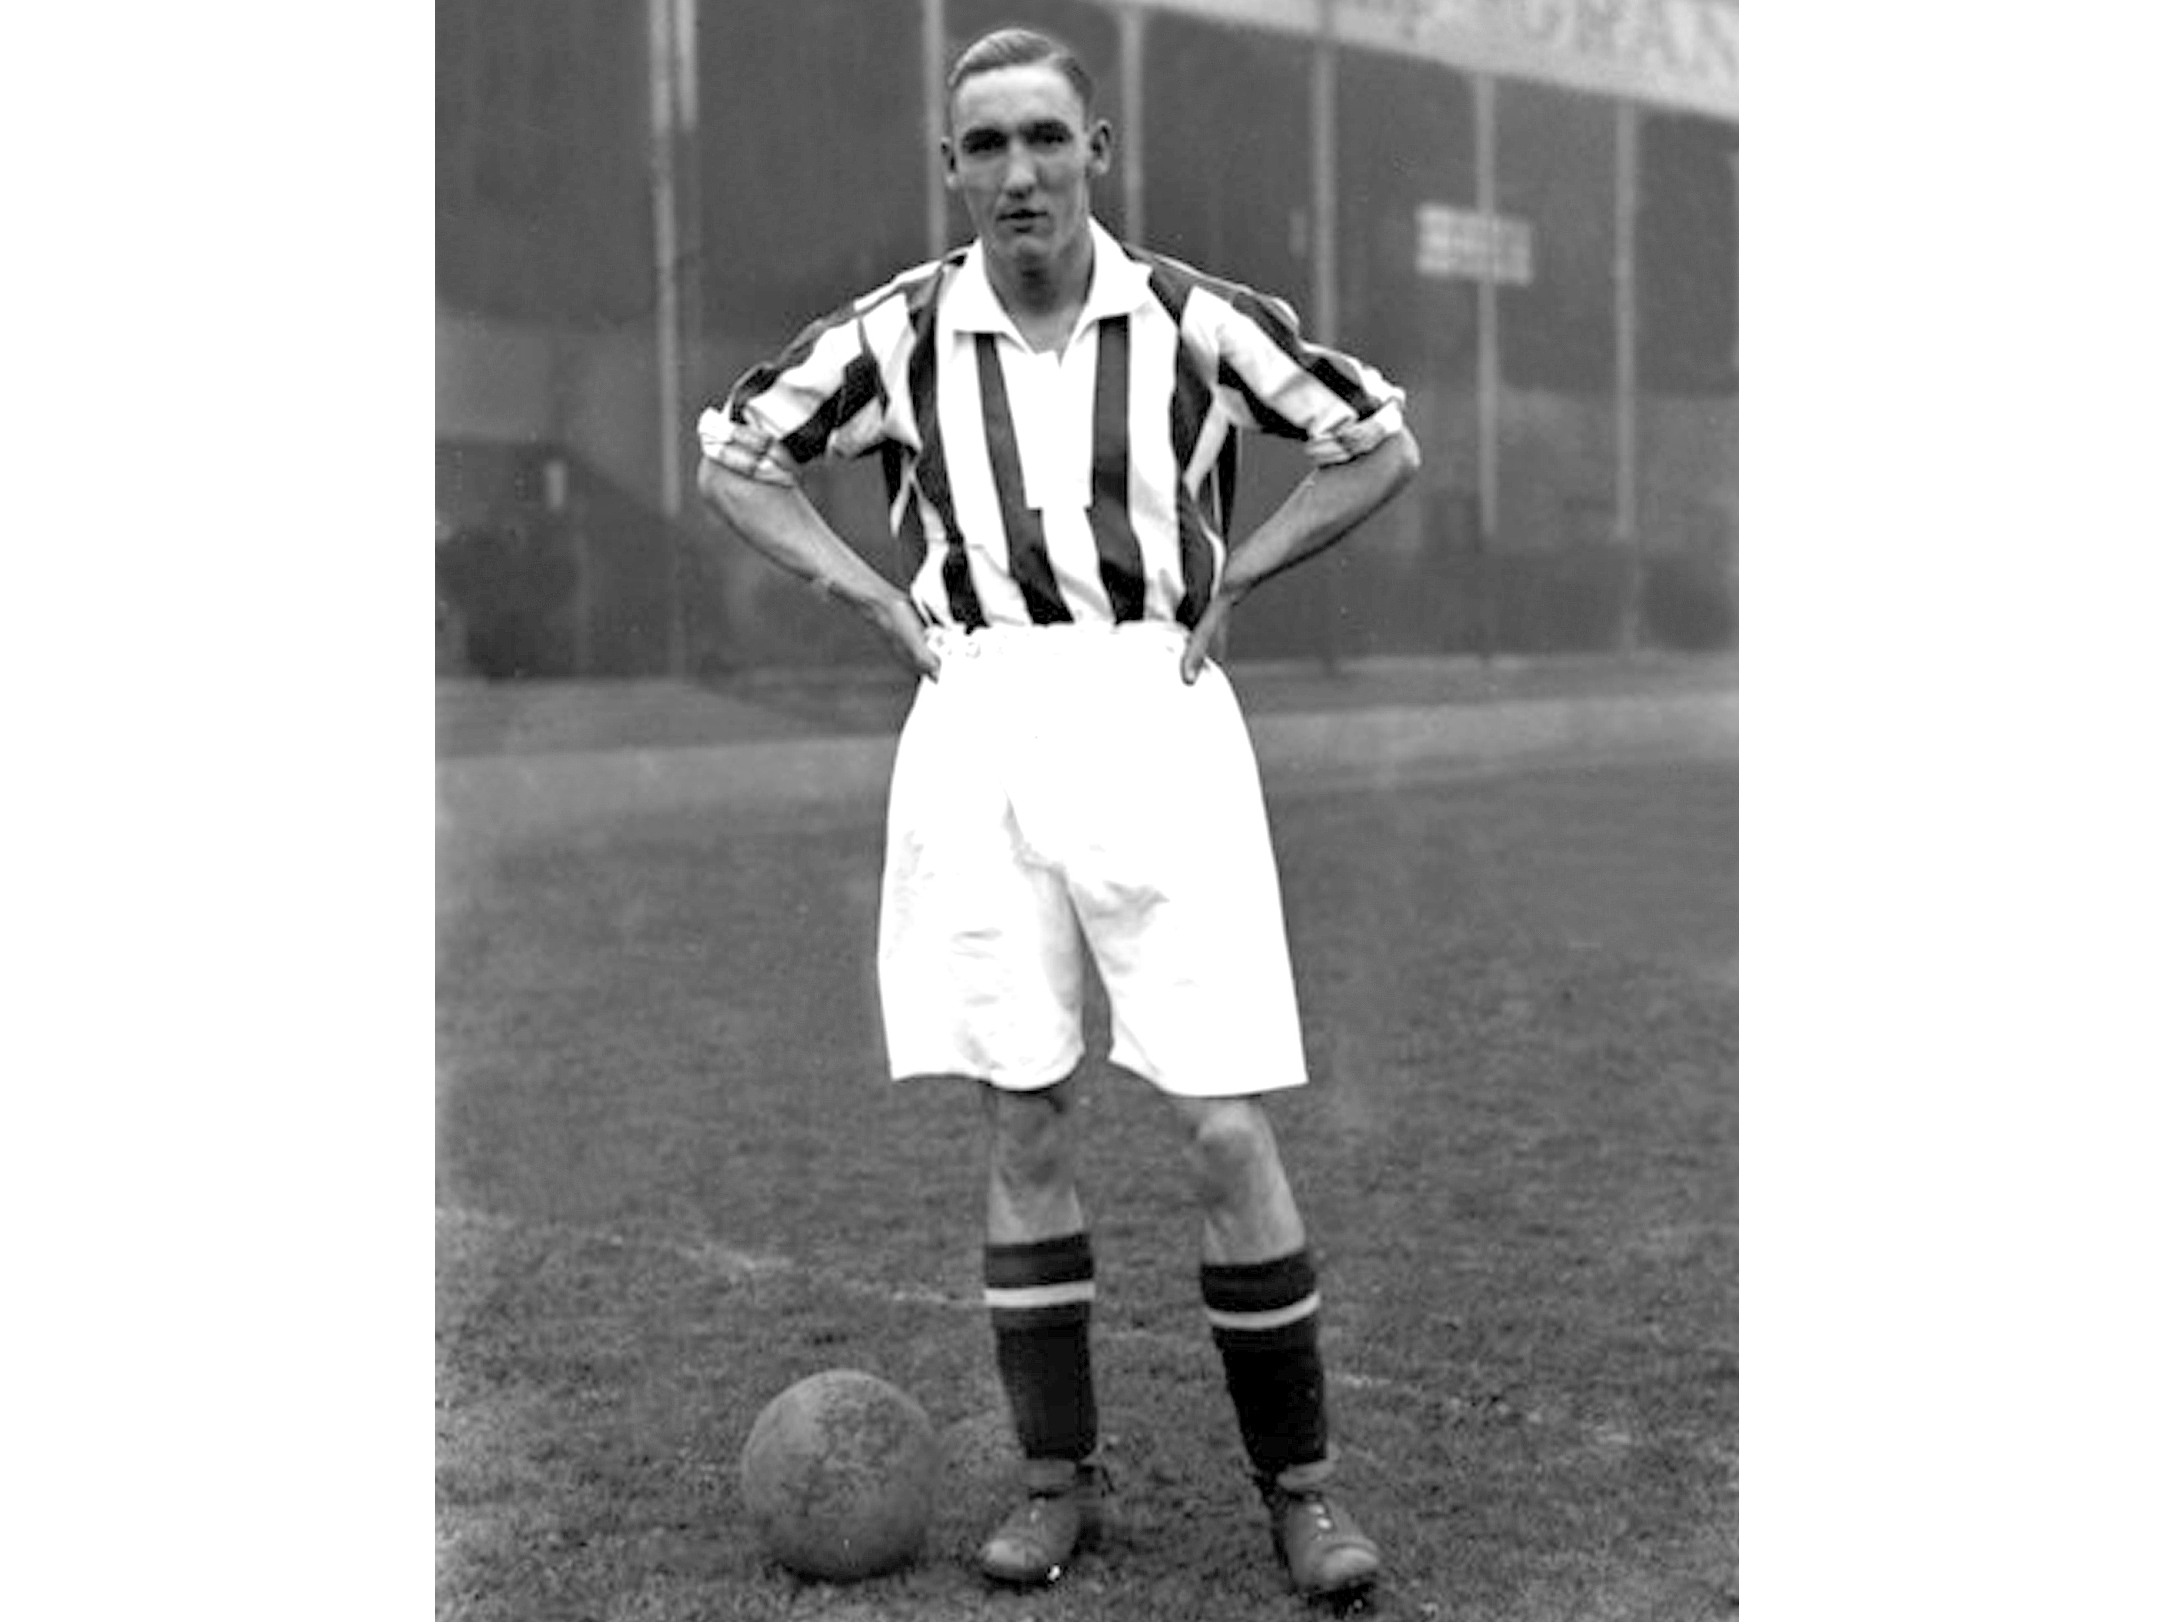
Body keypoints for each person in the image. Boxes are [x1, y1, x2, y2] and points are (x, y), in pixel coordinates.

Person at [695, 26, 1419, 1602]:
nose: (1018, 171)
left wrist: (1243, 581)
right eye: (985, 147)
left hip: (1154, 710)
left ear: (1097, 147)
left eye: (1044, 137)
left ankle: (1302, 1492)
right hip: (979, 716)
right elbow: (738, 455)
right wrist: (871, 595)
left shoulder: (1190, 320)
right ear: (950, 169)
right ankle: (1055, 1482)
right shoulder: (894, 336)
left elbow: (1376, 441)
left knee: (1224, 1122)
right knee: (1023, 1111)